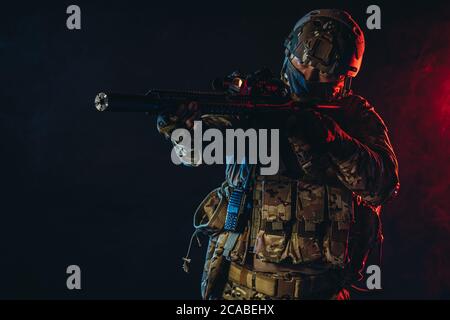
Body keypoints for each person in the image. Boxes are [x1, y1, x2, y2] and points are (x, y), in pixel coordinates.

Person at [156, 9, 399, 300]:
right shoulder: (253, 103)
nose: (308, 76)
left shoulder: (354, 115)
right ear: (289, 52)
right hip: (244, 291)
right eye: (302, 63)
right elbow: (198, 150)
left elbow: (383, 187)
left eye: (324, 72)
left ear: (345, 75)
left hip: (322, 291)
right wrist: (183, 130)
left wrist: (334, 139)